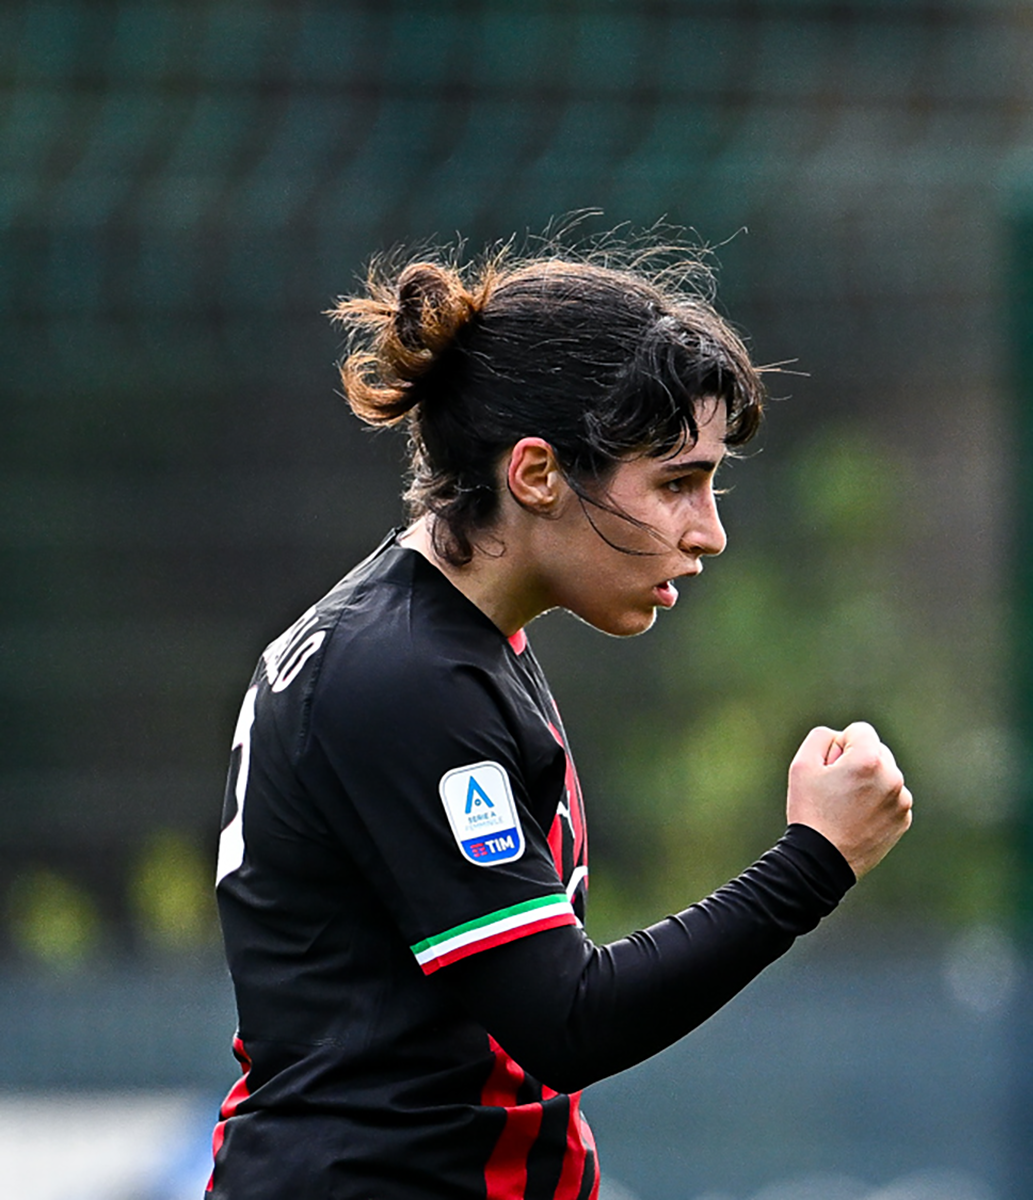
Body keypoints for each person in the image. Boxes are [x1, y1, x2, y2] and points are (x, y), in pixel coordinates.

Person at [207, 250, 916, 1199]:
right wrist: (814, 860)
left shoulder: (456, 643)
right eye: (676, 482)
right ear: (537, 473)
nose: (708, 530)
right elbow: (566, 1020)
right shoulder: (405, 677)